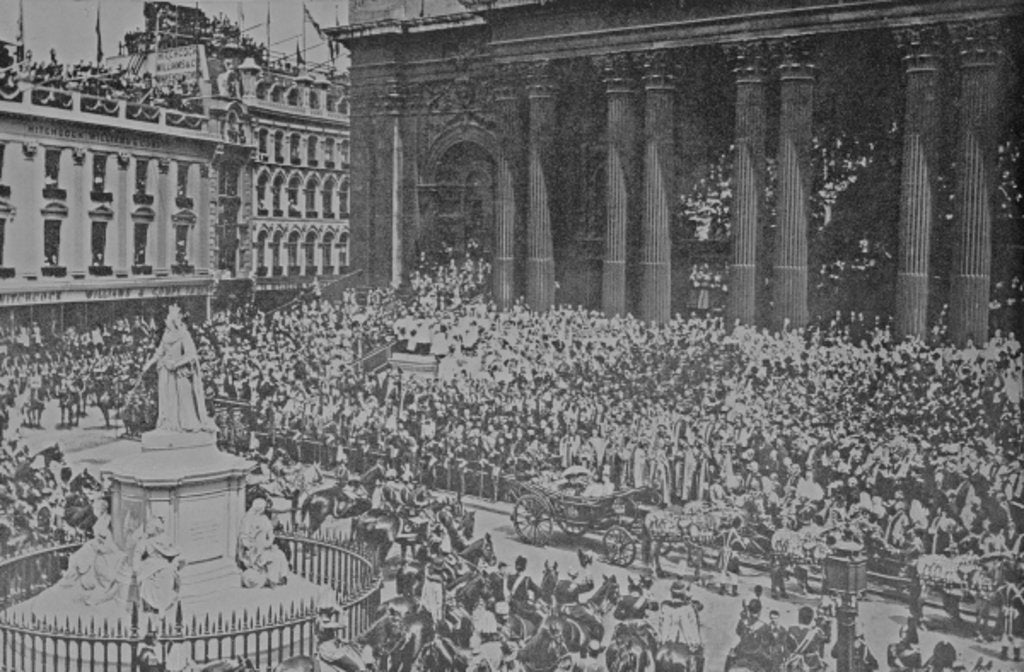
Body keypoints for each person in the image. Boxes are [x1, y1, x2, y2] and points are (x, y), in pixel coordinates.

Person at [141, 305, 215, 433]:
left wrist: (175, 364)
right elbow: (159, 353)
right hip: (166, 373)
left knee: (184, 398)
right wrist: (148, 364)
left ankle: (188, 424)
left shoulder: (184, 335)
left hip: (180, 372)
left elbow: (191, 354)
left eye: (168, 319)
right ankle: (169, 423)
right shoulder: (166, 335)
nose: (166, 321)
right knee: (168, 400)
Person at [59, 497, 126, 605]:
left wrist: (97, 545)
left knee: (80, 557)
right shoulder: (101, 520)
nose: (94, 510)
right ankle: (70, 579)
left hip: (104, 549)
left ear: (101, 509)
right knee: (76, 557)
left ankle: (73, 580)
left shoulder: (107, 521)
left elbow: (107, 541)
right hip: (97, 545)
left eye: (96, 508)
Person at [133, 516, 183, 615]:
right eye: (147, 527)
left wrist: (176, 561)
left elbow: (175, 551)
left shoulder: (165, 539)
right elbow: (138, 552)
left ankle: (162, 605)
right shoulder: (145, 541)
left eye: (150, 527)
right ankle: (150, 605)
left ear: (157, 528)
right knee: (147, 581)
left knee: (167, 577)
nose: (147, 529)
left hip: (163, 564)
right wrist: (136, 565)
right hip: (149, 564)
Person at [237, 498, 289, 588]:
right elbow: (244, 539)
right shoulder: (247, 520)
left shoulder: (264, 519)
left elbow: (270, 534)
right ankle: (272, 579)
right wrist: (253, 546)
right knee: (272, 557)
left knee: (280, 554)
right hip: (253, 551)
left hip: (264, 546)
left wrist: (269, 544)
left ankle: (280, 576)